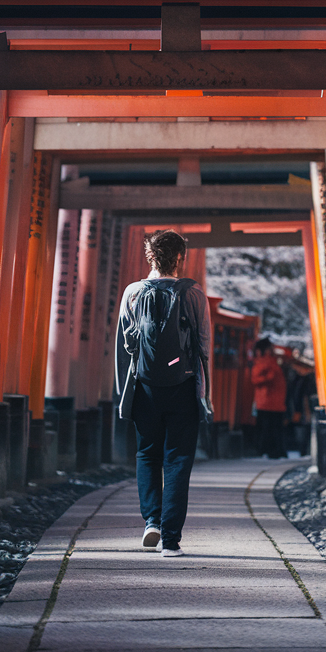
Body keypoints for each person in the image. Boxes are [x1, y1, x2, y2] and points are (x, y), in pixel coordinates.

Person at [115, 229, 211, 558]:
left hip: (145, 387)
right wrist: (204, 394)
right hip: (183, 386)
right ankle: (171, 540)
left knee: (147, 454)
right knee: (178, 460)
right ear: (180, 257)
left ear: (149, 256)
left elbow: (126, 345)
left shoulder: (132, 293)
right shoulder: (194, 293)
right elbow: (203, 346)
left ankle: (151, 521)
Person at [250, 337, 287, 459]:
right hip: (267, 402)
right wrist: (268, 378)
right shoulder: (264, 363)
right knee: (270, 429)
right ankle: (270, 451)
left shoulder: (270, 361)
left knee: (272, 429)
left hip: (272, 402)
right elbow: (255, 380)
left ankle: (273, 451)